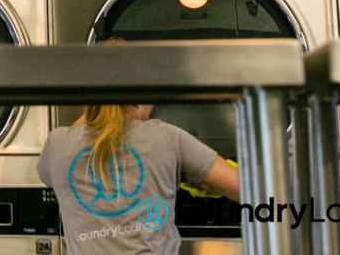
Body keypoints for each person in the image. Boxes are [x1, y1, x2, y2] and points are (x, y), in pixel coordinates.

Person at [38, 94, 240, 254]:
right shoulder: (165, 137)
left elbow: (48, 172)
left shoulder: (57, 145)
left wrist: (97, 106)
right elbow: (242, 187)